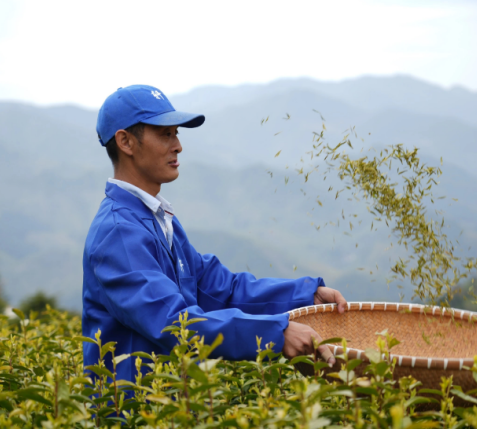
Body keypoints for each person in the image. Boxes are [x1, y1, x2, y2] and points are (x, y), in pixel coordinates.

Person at [82, 85, 347, 381]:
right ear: (126, 142)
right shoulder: (119, 234)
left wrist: (303, 296)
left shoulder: (159, 220)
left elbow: (222, 290)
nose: (178, 145)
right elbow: (175, 324)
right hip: (131, 411)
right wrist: (276, 332)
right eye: (165, 134)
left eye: (176, 133)